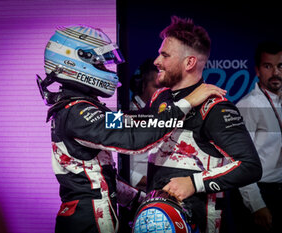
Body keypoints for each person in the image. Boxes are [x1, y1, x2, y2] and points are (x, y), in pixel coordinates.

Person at [37, 24, 226, 233]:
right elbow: (134, 140)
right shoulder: (77, 114)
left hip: (90, 217)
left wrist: (139, 200)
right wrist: (186, 103)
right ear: (77, 62)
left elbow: (130, 122)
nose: (105, 69)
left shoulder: (81, 109)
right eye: (100, 63)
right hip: (87, 222)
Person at [135, 16, 262, 233]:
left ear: (189, 62)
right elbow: (131, 128)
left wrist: (195, 183)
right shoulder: (160, 98)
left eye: (164, 55)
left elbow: (250, 166)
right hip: (155, 221)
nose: (156, 61)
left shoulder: (216, 108)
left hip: (202, 225)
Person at [234, 41, 282, 233]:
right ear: (258, 70)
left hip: (280, 191)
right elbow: (240, 161)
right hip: (257, 195)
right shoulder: (248, 105)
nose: (275, 72)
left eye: (280, 66)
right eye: (268, 66)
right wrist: (256, 205)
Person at [129, 58, 160, 190]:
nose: (162, 92)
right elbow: (118, 164)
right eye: (157, 87)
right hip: (136, 193)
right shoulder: (125, 114)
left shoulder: (168, 113)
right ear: (141, 85)